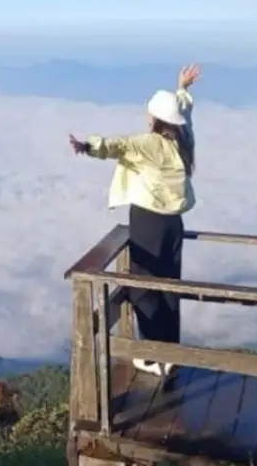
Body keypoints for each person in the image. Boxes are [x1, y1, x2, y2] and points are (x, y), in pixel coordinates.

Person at [67, 64, 200, 378]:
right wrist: (182, 89)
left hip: (148, 221)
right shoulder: (183, 139)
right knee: (169, 285)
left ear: (153, 118)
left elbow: (118, 146)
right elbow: (185, 114)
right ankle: (169, 353)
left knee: (142, 285)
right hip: (173, 225)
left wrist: (86, 146)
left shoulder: (148, 144)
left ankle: (151, 356)